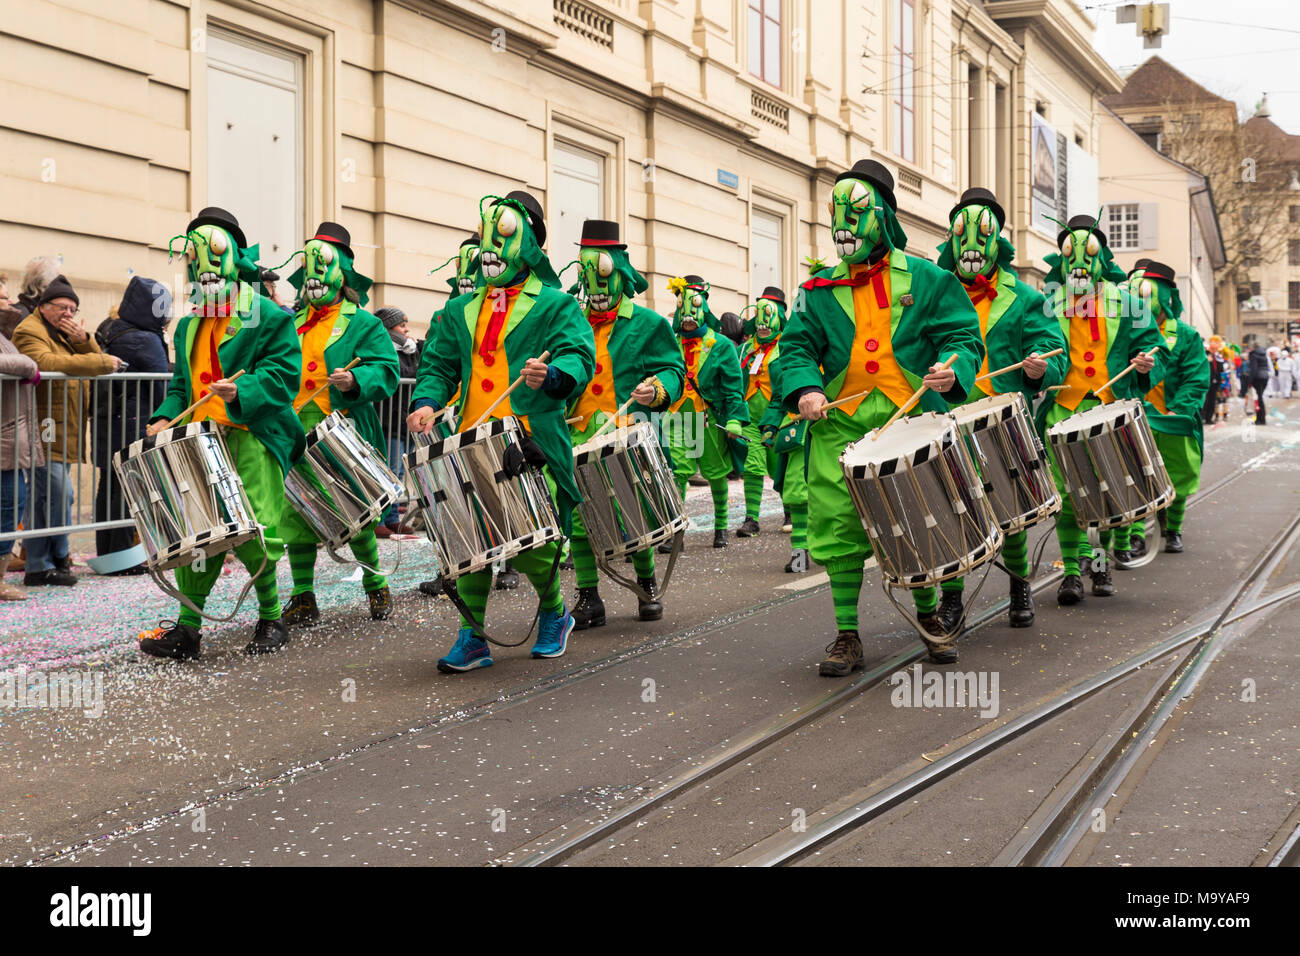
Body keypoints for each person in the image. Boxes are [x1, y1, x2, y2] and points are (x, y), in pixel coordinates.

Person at [772, 159, 984, 671]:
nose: (844, 223)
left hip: (910, 424)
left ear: (883, 217)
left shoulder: (930, 279)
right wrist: (803, 389)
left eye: (856, 211)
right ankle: (847, 634)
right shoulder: (815, 290)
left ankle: (930, 617)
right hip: (838, 428)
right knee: (839, 529)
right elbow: (794, 348)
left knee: (919, 519)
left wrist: (951, 370)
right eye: (836, 212)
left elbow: (962, 336)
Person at [407, 190, 595, 672]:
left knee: (532, 540)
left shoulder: (555, 305)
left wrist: (552, 376)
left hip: (528, 440)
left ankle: (555, 613)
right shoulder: (458, 309)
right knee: (470, 540)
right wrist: (426, 402)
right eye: (487, 233)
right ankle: (472, 636)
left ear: (527, 244)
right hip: (471, 442)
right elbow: (438, 366)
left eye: (504, 233)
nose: (490, 245)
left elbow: (578, 355)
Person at [138, 207, 304, 659]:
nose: (204, 268)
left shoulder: (267, 316)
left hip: (251, 435)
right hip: (199, 442)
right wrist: (163, 417)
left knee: (256, 529)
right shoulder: (189, 324)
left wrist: (240, 391)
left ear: (234, 260)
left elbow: (284, 376)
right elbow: (181, 387)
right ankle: (189, 630)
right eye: (196, 258)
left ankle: (271, 619)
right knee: (201, 533)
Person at [934, 187, 1069, 630]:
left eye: (982, 234)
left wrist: (1036, 370)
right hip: (944, 420)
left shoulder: (1028, 298)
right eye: (962, 234)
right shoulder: (931, 291)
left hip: (1001, 419)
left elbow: (1054, 350)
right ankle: (951, 599)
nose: (971, 244)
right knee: (950, 511)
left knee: (1010, 509)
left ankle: (1018, 584)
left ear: (998, 241)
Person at [274, 222, 400, 626]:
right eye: (307, 268)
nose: (314, 277)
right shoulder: (289, 323)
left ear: (341, 273)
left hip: (343, 427)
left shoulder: (364, 323)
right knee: (295, 512)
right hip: (295, 428)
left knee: (354, 510)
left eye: (322, 266)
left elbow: (388, 371)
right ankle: (303, 596)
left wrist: (355, 381)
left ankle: (376, 586)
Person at [1036, 215, 1164, 606]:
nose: (1079, 263)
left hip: (1111, 411)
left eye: (1087, 254)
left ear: (1101, 257)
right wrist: (1039, 368)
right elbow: (1039, 345)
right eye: (1070, 254)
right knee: (1069, 494)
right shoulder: (1050, 302)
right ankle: (1072, 573)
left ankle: (1100, 561)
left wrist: (1145, 363)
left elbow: (1155, 351)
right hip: (1064, 411)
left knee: (1109, 492)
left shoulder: (1128, 302)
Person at [565, 219, 684, 630]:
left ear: (619, 271)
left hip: (626, 432)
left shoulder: (648, 323)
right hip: (577, 433)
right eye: (586, 276)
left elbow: (673, 369)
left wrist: (658, 388)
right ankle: (588, 595)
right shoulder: (570, 319)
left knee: (632, 507)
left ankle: (647, 583)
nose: (595, 289)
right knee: (579, 516)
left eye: (601, 274)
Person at [12, 275, 124, 587]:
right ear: (44, 307)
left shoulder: (63, 331)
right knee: (60, 492)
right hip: (44, 424)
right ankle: (56, 557)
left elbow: (81, 355)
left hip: (65, 425)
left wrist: (84, 337)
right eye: (63, 307)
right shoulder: (28, 329)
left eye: (73, 309)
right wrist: (98, 362)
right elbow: (46, 362)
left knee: (46, 496)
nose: (69, 314)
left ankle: (41, 565)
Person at [1118, 261, 1210, 559]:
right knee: (1132, 475)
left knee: (1177, 473)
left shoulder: (1185, 335)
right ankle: (1134, 534)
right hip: (1136, 416)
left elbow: (1195, 378)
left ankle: (1172, 528)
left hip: (1172, 419)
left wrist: (1179, 410)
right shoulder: (1125, 333)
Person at [92, 276, 172, 571]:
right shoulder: (146, 339)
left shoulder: (114, 331)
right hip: (132, 422)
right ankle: (124, 557)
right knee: (129, 488)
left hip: (109, 421)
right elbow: (161, 383)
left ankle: (109, 555)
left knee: (108, 487)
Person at [662, 275, 748, 550]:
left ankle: (720, 527)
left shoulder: (721, 345)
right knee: (678, 471)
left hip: (710, 418)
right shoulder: (669, 343)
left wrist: (735, 418)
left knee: (715, 472)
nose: (687, 314)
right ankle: (677, 534)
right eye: (681, 306)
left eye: (693, 305)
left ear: (704, 308)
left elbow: (734, 387)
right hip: (678, 417)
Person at [735, 288, 788, 541]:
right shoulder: (745, 350)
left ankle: (790, 510)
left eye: (769, 315)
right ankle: (751, 518)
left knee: (780, 466)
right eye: (759, 315)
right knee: (753, 465)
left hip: (778, 417)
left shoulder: (788, 348)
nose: (763, 323)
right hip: (750, 419)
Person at [0, 302, 42, 600]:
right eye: (2, 297)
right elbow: (26, 364)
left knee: (13, 503)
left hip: (11, 437)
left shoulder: (6, 333)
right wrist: (28, 365)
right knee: (9, 504)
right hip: (5, 437)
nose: (9, 303)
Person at [375, 305, 421, 535]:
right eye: (401, 325)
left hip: (403, 420)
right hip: (389, 419)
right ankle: (380, 521)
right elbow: (400, 375)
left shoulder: (409, 348)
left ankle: (393, 517)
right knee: (389, 471)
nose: (406, 330)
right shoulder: (385, 349)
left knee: (399, 473)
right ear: (388, 328)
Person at [1246, 342, 1271, 425]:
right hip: (1265, 377)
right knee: (1260, 398)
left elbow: (1254, 369)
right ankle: (1261, 418)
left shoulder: (1253, 355)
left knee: (1258, 399)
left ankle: (1261, 419)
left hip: (1257, 378)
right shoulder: (1264, 355)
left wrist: (1250, 381)